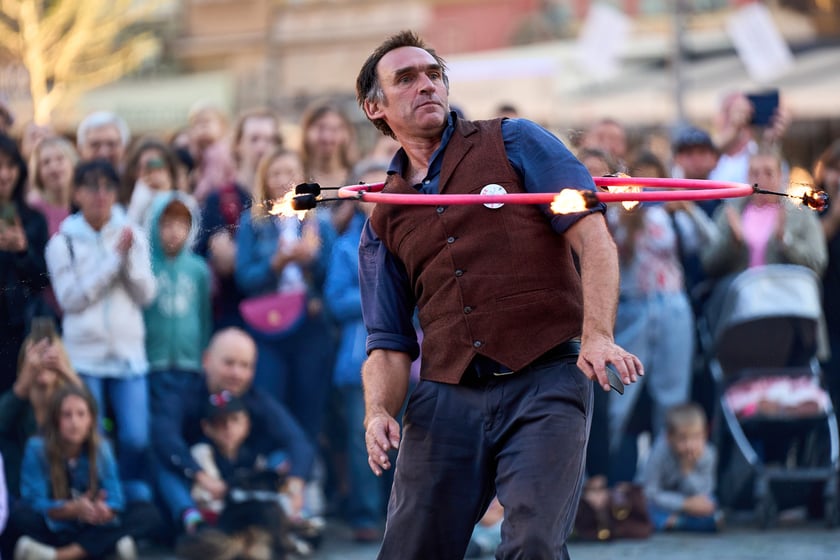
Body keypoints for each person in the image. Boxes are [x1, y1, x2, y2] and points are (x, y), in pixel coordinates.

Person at [354, 31, 643, 559]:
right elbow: (388, 343)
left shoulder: (516, 141)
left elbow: (594, 238)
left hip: (545, 379)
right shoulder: (383, 218)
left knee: (532, 545)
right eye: (406, 78)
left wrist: (598, 335)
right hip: (446, 396)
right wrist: (378, 412)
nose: (426, 85)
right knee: (409, 550)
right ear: (375, 107)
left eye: (433, 74)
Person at [45, 160, 157, 503]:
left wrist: (128, 261)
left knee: (136, 436)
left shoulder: (132, 233)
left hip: (128, 354)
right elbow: (70, 299)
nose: (101, 195)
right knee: (91, 437)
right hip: (84, 357)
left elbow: (146, 294)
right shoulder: (62, 242)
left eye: (108, 187)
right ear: (77, 193)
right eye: (92, 187)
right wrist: (112, 262)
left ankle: (122, 496)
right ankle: (97, 500)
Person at [150, 328, 314, 536]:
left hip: (241, 485)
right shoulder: (181, 397)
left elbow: (298, 441)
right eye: (229, 363)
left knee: (282, 459)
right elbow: (164, 438)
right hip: (197, 486)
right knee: (161, 460)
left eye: (245, 365)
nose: (237, 373)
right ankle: (193, 522)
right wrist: (202, 477)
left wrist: (295, 483)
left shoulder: (257, 400)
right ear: (206, 360)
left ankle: (293, 517)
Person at [11, 384, 160, 560]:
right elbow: (34, 500)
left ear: (91, 419)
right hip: (56, 525)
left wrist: (105, 509)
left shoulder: (101, 448)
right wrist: (70, 509)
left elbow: (115, 495)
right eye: (67, 415)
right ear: (56, 420)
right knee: (20, 515)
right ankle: (105, 547)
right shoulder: (37, 448)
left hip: (91, 524)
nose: (74, 423)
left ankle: (61, 556)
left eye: (81, 414)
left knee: (147, 512)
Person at [323, 158, 389, 542]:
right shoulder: (346, 246)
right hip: (358, 360)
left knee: (406, 439)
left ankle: (399, 513)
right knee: (361, 437)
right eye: (370, 190)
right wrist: (384, 298)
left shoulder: (411, 239)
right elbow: (335, 299)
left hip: (408, 358)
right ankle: (365, 514)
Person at [701, 148, 827, 281]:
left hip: (786, 289)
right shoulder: (729, 212)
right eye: (755, 173)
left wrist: (786, 241)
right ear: (747, 177)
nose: (761, 179)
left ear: (781, 176)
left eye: (769, 173)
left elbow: (817, 264)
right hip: (740, 290)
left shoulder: (801, 214)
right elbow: (709, 264)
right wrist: (732, 241)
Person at [143, 194, 211, 411]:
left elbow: (204, 314)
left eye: (181, 224)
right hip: (154, 362)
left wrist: (204, 350)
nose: (174, 231)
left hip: (190, 363)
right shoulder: (146, 267)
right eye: (167, 224)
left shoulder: (198, 269)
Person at [0, 327, 81, 498]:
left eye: (50, 355)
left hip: (67, 494)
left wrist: (66, 371)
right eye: (36, 355)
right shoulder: (16, 404)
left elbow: (91, 414)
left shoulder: (69, 404)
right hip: (21, 496)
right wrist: (24, 381)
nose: (43, 362)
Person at [0, 133, 50, 396]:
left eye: (10, 166)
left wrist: (22, 251)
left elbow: (42, 279)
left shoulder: (33, 219)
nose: (4, 175)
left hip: (20, 331)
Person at [640, 402, 721, 532]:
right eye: (682, 439)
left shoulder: (708, 454)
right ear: (669, 437)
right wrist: (684, 504)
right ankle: (685, 523)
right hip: (666, 503)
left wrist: (687, 472)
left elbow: (704, 492)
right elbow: (650, 493)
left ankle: (675, 522)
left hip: (692, 503)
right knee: (645, 507)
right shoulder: (659, 453)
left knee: (712, 505)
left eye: (695, 437)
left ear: (704, 435)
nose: (689, 445)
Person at [27, 136, 79, 236]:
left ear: (73, 163)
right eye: (46, 162)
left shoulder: (84, 204)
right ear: (38, 172)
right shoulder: (32, 208)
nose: (54, 167)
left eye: (60, 159)